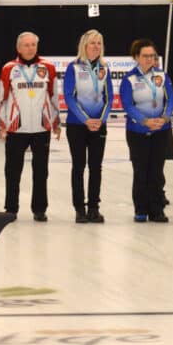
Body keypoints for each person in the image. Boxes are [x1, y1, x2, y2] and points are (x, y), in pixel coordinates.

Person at [0, 31, 59, 222]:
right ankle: (11, 208)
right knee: (12, 171)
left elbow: (54, 97)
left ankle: (39, 209)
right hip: (17, 129)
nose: (30, 48)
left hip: (42, 129)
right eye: (26, 45)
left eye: (33, 44)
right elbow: (2, 99)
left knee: (41, 171)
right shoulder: (9, 68)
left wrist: (56, 122)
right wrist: (2, 125)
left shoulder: (48, 67)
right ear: (18, 48)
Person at [119, 38, 173, 223]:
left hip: (161, 129)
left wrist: (164, 117)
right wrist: (144, 121)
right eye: (146, 56)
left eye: (153, 56)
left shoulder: (163, 76)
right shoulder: (129, 79)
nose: (150, 59)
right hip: (137, 131)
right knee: (141, 170)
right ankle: (141, 209)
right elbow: (127, 105)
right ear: (136, 57)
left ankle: (157, 209)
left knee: (157, 171)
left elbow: (171, 100)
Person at [60, 29, 113, 223]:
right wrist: (86, 119)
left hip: (99, 125)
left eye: (99, 43)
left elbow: (109, 98)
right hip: (77, 125)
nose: (96, 46)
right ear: (84, 45)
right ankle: (79, 209)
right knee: (79, 166)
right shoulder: (73, 67)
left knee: (96, 167)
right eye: (93, 43)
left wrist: (101, 119)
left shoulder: (104, 69)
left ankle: (93, 208)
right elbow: (69, 97)